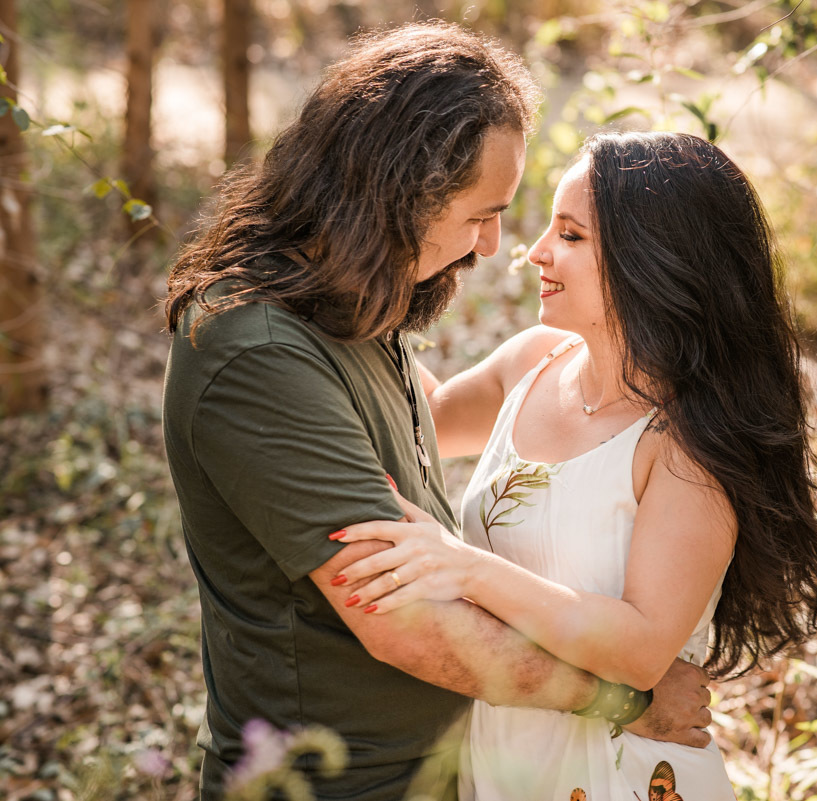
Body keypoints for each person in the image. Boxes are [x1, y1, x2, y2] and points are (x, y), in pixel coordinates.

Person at [161, 24, 712, 801]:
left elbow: (436, 423)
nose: (493, 246)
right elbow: (405, 622)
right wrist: (630, 701)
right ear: (399, 190)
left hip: (455, 770)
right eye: (481, 214)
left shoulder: (353, 310)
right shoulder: (258, 350)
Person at [331, 132, 817, 799]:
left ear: (653, 259)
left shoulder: (688, 443)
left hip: (619, 771)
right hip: (501, 753)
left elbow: (641, 648)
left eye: (571, 236)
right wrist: (334, 295)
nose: (536, 252)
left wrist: (462, 565)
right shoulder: (532, 362)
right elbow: (417, 417)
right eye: (550, 228)